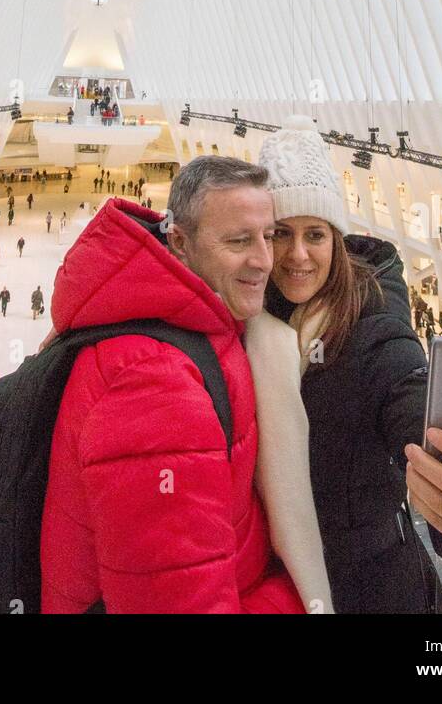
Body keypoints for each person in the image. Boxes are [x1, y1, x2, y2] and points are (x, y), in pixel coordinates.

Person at [249, 115, 442, 614]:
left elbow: (409, 397)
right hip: (267, 590)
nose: (298, 255)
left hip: (378, 591)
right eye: (280, 234)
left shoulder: (372, 327)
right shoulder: (245, 323)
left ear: (337, 239)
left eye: (315, 234)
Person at [39, 158, 305, 613]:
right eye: (239, 240)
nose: (264, 259)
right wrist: (306, 595)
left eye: (269, 235)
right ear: (179, 242)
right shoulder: (156, 385)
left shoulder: (196, 326)